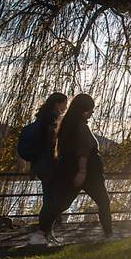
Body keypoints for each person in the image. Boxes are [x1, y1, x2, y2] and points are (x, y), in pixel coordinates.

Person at [39, 94, 113, 239]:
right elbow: (83, 151)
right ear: (84, 110)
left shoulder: (67, 124)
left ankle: (42, 231)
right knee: (103, 201)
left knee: (62, 203)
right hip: (88, 173)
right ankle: (109, 234)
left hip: (73, 171)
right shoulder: (80, 127)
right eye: (91, 110)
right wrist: (82, 171)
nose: (92, 113)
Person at [28, 92, 67, 244]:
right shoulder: (52, 120)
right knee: (52, 201)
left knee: (49, 200)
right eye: (64, 104)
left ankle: (46, 233)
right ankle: (42, 233)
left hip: (42, 166)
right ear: (58, 103)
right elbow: (50, 145)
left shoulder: (42, 118)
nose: (65, 107)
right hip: (50, 166)